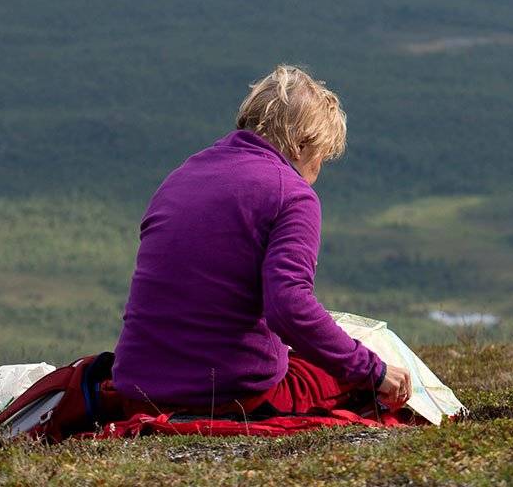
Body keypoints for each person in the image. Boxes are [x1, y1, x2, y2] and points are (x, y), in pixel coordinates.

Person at [111, 66, 412, 415]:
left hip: (135, 384)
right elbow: (288, 308)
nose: (317, 172)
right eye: (322, 158)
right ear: (304, 144)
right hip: (223, 391)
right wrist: (372, 370)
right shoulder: (292, 194)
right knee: (343, 377)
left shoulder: (182, 175)